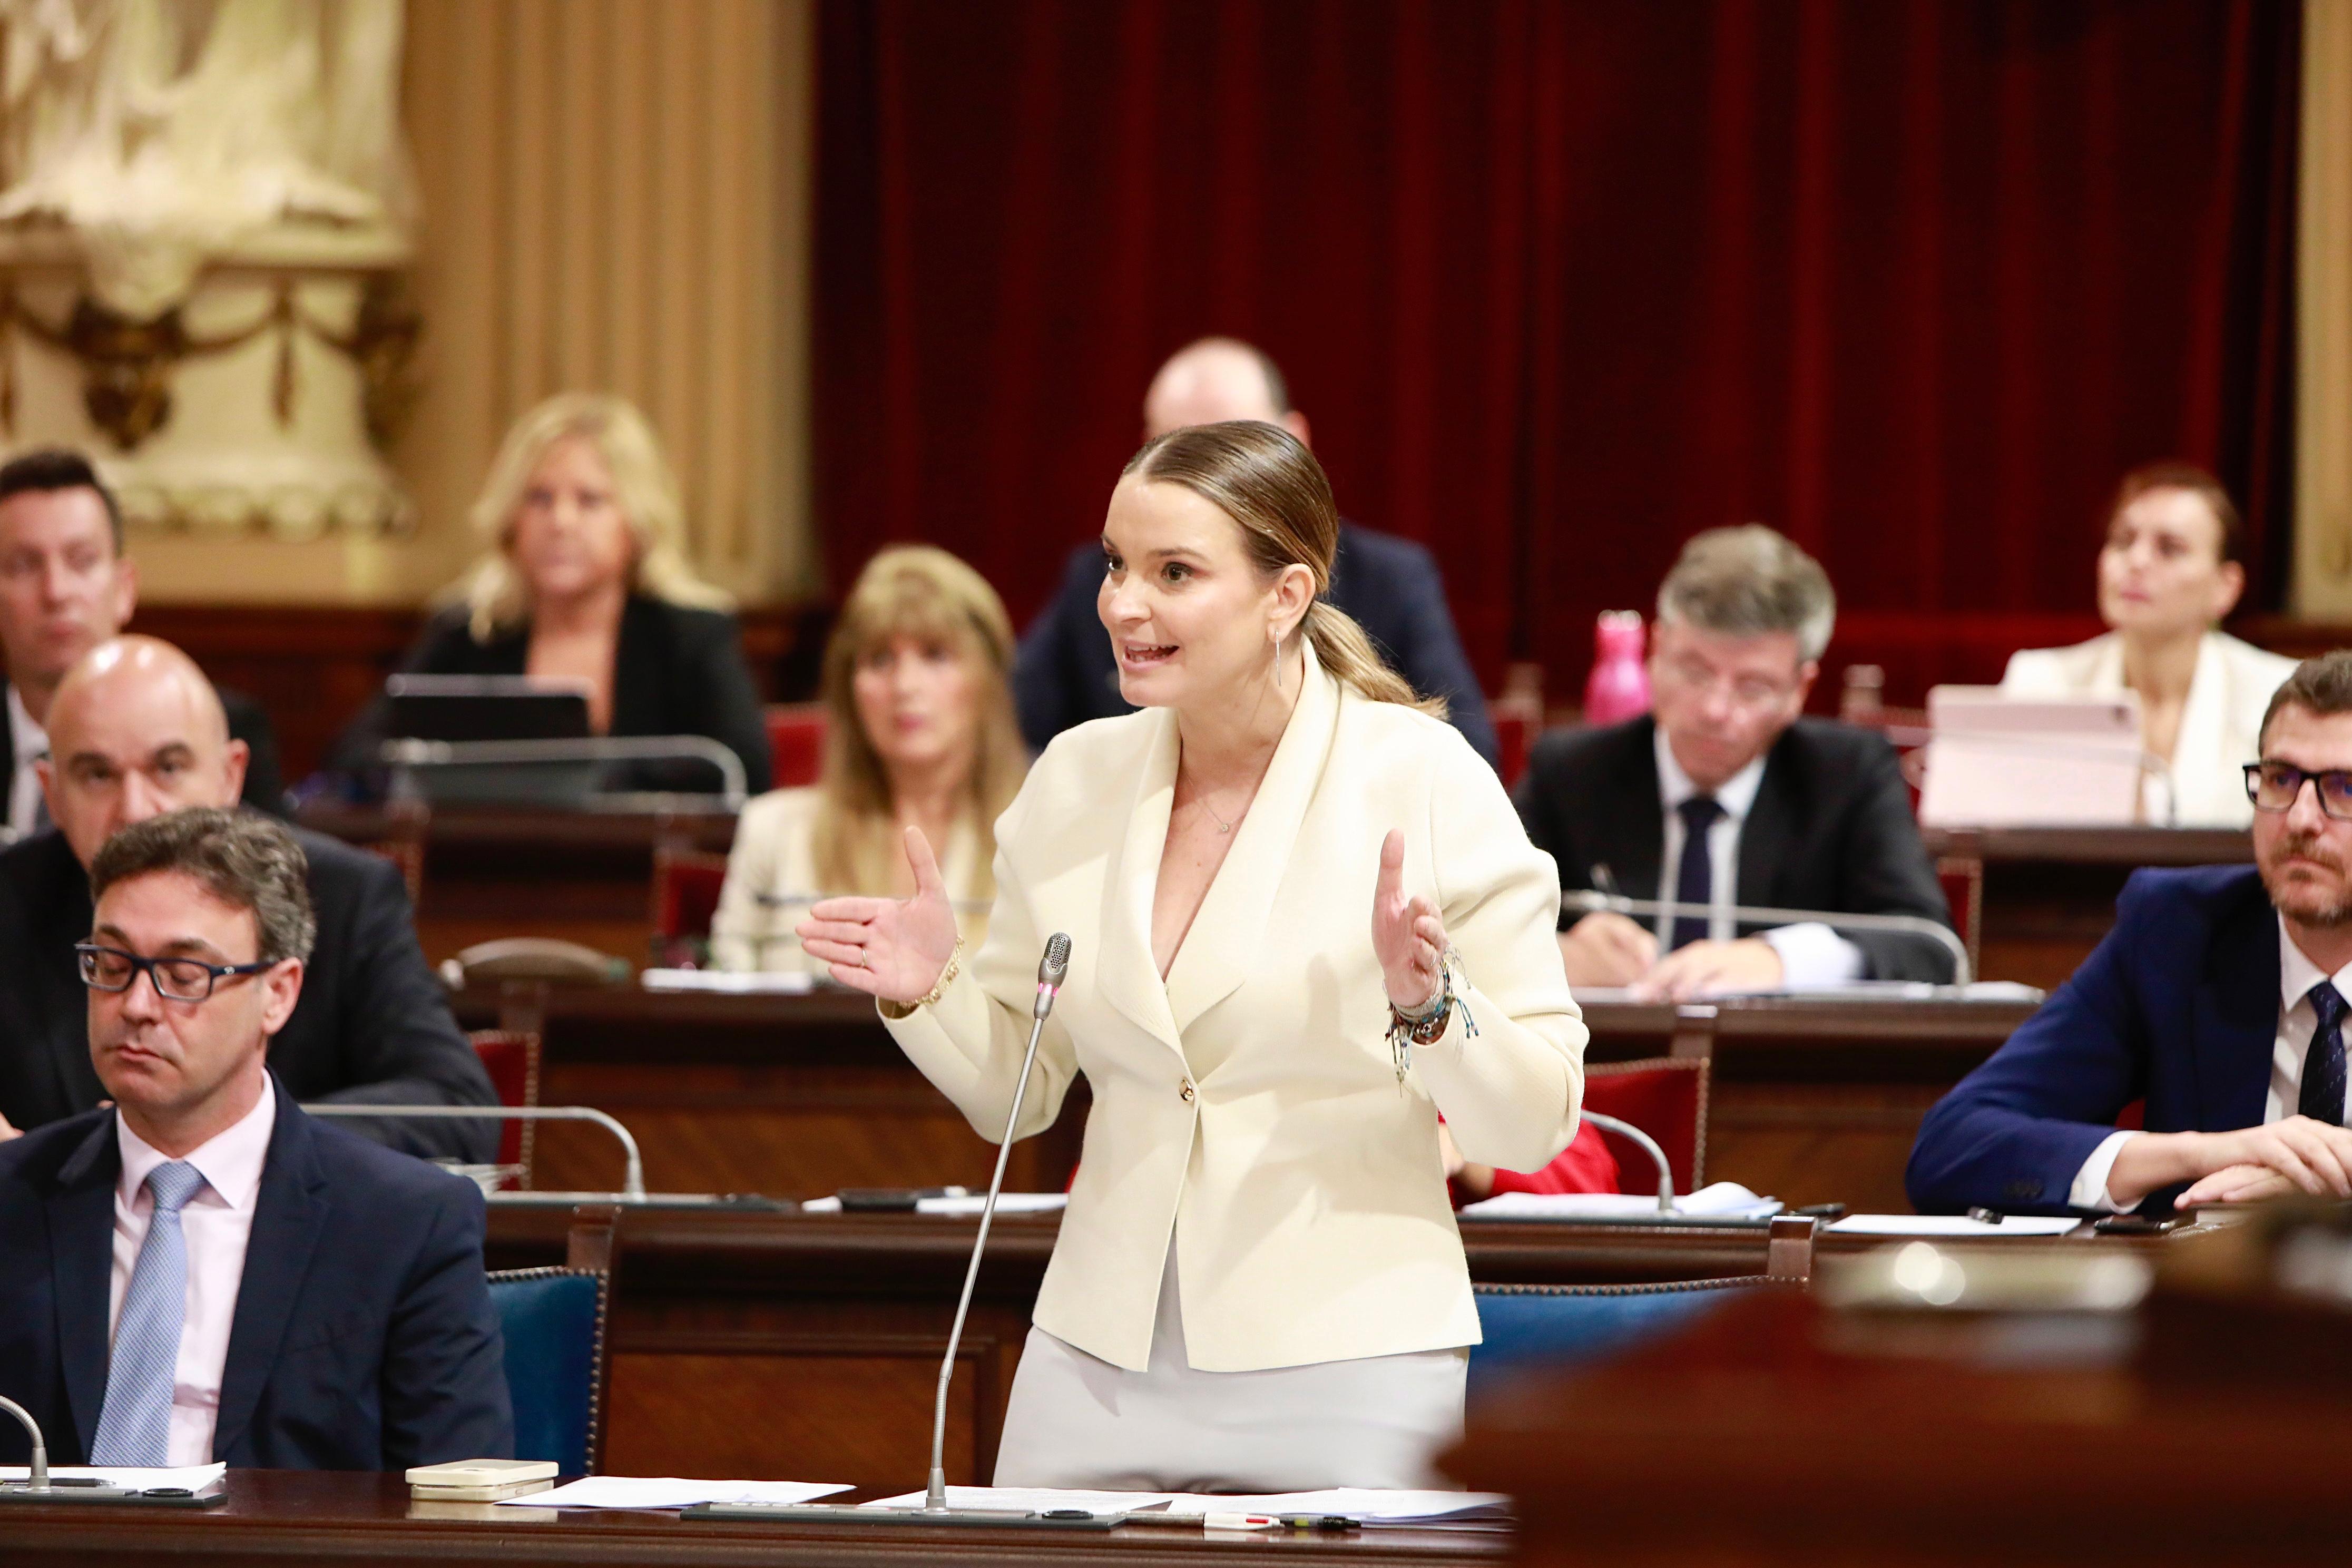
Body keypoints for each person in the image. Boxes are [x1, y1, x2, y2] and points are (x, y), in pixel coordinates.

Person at [800, 421, 1583, 1491]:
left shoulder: (1423, 778)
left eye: (1175, 572)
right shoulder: (1075, 778)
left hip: (1349, 1355)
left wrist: (1433, 1003)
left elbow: (1531, 1120)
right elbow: (1016, 1098)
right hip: (1098, 1353)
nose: (1125, 604)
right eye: (1119, 565)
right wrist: (927, 988)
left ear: (1286, 595)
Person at [0, 806, 511, 1468]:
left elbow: (462, 1501)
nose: (134, 1005)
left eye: (184, 977)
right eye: (112, 963)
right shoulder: (12, 1197)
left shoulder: (405, 1226)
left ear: (278, 993)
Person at [0, 637, 497, 1160]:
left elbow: (456, 1108)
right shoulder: (11, 899)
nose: (135, 809)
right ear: (51, 793)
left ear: (230, 776)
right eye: (98, 775)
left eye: (167, 768)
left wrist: (237, 1141)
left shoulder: (344, 897)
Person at [1908, 652, 2352, 1217]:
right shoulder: (2178, 932)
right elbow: (1954, 1146)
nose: (2299, 819)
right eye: (2281, 779)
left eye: (2345, 789)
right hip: (2211, 1297)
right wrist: (2211, 1153)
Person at [1014, 337, 1499, 767]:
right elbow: (1008, 733)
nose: (1123, 606)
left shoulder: (1391, 579)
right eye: (1175, 448)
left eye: (1177, 572)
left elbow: (1468, 751)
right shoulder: (1089, 582)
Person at [1516, 525, 1955, 999]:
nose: (1715, 710)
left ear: (1798, 691)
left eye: (1753, 687)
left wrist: (1779, 959)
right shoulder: (1570, 773)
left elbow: (1930, 945)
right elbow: (1460, 928)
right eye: (1695, 671)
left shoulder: (1848, 776)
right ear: (1655, 652)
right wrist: (1557, 952)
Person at [332, 393, 773, 796]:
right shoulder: (470, 630)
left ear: (637, 524)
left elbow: (744, 768)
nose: (561, 521)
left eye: (590, 501)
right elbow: (354, 755)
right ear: (511, 522)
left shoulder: (690, 634)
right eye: (540, 499)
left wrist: (583, 782)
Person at [712, 546, 1025, 974]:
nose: (905, 685)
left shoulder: (1038, 841)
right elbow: (726, 1007)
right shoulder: (773, 832)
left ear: (988, 679)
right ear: (849, 688)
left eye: (935, 655)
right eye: (880, 659)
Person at [0, 447, 283, 836]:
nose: (56, 591)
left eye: (82, 560)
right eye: (24, 565)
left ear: (124, 587)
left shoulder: (217, 726)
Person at [2002, 463, 2293, 829]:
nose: (2136, 561)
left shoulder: (2279, 695)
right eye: (2123, 541)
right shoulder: (2041, 684)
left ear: (2226, 586)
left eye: (2169, 548)